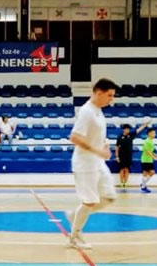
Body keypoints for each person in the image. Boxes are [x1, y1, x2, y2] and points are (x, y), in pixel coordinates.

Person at [65, 78, 118, 250]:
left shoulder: (98, 111)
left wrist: (103, 145)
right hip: (85, 163)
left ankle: (74, 215)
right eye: (109, 95)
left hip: (97, 161)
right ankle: (74, 237)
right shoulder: (87, 111)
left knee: (109, 197)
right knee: (89, 202)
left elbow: (93, 136)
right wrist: (97, 150)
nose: (112, 99)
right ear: (98, 93)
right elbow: (75, 137)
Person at [116, 119, 152, 188]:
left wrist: (145, 124)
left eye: (128, 129)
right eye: (126, 129)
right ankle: (121, 182)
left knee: (126, 169)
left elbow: (139, 130)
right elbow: (117, 147)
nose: (128, 130)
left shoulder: (131, 135)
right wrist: (117, 156)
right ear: (124, 130)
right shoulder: (119, 137)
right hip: (121, 155)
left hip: (129, 155)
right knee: (121, 169)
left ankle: (125, 183)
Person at [138, 127, 157, 193]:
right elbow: (147, 151)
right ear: (149, 134)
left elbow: (150, 151)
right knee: (150, 172)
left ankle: (143, 185)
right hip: (145, 160)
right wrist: (153, 157)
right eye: (153, 133)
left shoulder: (150, 141)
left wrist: (154, 154)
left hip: (149, 160)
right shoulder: (147, 141)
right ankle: (143, 186)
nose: (154, 134)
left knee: (148, 173)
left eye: (155, 133)